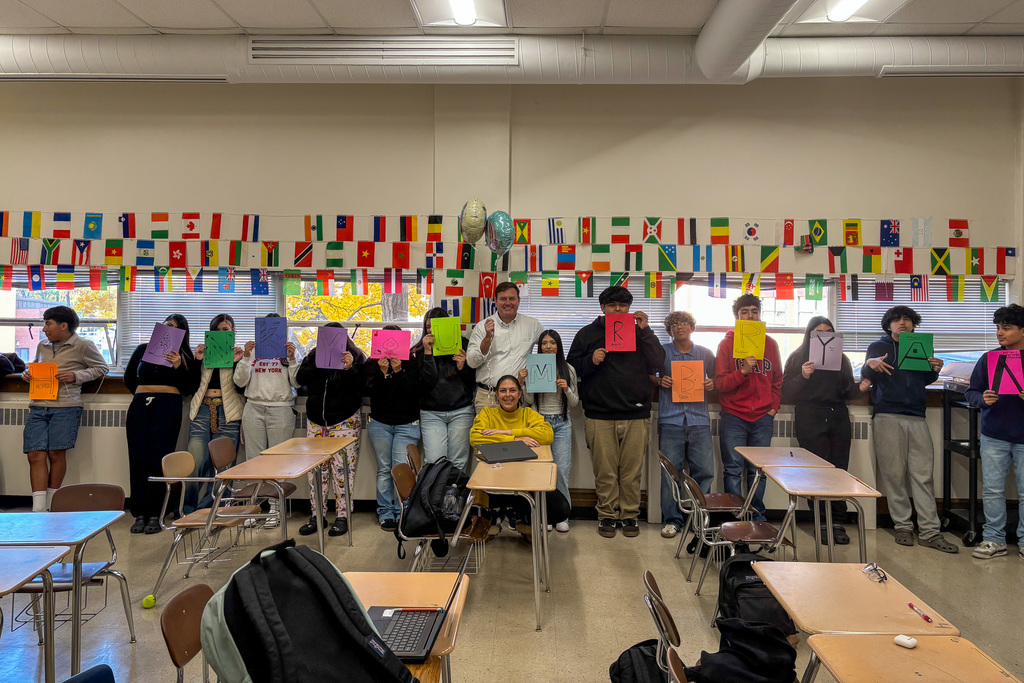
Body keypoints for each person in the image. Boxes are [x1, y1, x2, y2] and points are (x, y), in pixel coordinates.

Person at [567, 285, 665, 538]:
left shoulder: (640, 332)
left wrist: (646, 331)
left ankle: (630, 515)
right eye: (612, 305)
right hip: (599, 414)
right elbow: (570, 368)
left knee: (632, 471)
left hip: (636, 413)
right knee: (605, 471)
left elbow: (658, 362)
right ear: (603, 308)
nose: (618, 309)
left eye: (623, 305)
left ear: (629, 309)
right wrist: (591, 359)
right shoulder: (587, 333)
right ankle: (607, 515)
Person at [861, 305, 958, 553]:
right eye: (896, 319)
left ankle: (929, 531)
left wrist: (935, 370)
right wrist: (870, 364)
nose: (902, 323)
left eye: (907, 319)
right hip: (887, 415)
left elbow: (923, 379)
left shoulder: (921, 345)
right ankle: (902, 526)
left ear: (913, 324)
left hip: (917, 415)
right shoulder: (878, 347)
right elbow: (867, 374)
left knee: (923, 474)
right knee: (893, 474)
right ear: (888, 325)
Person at [781, 316, 870, 545]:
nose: (824, 336)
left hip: (838, 414)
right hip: (810, 414)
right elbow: (786, 391)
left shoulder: (842, 359)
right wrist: (803, 375)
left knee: (839, 469)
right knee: (816, 472)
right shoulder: (798, 357)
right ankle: (821, 522)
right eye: (819, 333)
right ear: (811, 335)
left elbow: (847, 391)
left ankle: (838, 521)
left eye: (829, 332)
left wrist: (861, 387)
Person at [21, 306, 109, 512]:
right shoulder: (42, 345)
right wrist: (28, 374)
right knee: (34, 454)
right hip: (38, 404)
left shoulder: (84, 345)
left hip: (66, 406)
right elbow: (35, 365)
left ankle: (51, 506)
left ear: (63, 326)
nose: (44, 329)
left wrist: (76, 376)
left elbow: (102, 368)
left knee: (56, 454)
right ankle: (38, 508)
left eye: (48, 324)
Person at [124, 314, 196, 534]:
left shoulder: (184, 356)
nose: (167, 328)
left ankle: (157, 512)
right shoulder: (142, 349)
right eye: (165, 324)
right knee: (138, 458)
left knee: (160, 458)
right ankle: (140, 513)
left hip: (167, 407)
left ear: (181, 333)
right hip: (140, 406)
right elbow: (129, 378)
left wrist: (178, 367)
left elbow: (188, 388)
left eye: (173, 327)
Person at [714, 294, 782, 522]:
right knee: (732, 469)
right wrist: (742, 371)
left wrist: (773, 408)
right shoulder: (726, 344)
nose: (750, 315)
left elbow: (777, 380)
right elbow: (721, 384)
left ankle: (755, 515)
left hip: (763, 417)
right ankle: (734, 516)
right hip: (734, 416)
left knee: (758, 472)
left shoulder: (770, 344)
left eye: (754, 310)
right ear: (737, 316)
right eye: (744, 312)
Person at [964, 304, 1024, 560]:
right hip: (994, 434)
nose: (1000, 333)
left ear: (1022, 330)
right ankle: (994, 539)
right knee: (992, 490)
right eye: (998, 328)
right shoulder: (989, 358)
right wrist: (982, 399)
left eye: (1007, 328)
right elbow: (971, 391)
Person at [470, 375, 564, 536]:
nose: (508, 395)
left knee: (561, 508)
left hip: (525, 481)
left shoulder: (528, 414)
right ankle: (497, 517)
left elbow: (547, 435)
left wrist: (508, 431)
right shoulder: (487, 413)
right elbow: (475, 438)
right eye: (503, 391)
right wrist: (515, 439)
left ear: (520, 394)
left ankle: (522, 518)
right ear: (497, 395)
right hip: (494, 481)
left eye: (513, 390)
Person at [296, 323, 366, 538]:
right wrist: (319, 361)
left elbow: (363, 385)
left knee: (343, 472)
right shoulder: (313, 355)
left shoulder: (356, 356)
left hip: (344, 421)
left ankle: (343, 516)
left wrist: (349, 368)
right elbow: (300, 379)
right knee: (316, 471)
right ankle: (317, 516)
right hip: (317, 422)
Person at [652, 311, 716, 539]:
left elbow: (716, 380)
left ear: (692, 327)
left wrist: (711, 384)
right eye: (674, 325)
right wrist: (660, 380)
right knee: (671, 473)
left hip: (699, 420)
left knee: (705, 471)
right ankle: (672, 520)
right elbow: (648, 374)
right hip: (671, 420)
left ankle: (700, 518)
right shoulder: (661, 352)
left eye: (684, 323)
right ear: (669, 331)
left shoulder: (706, 353)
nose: (680, 327)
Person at [234, 313, 300, 529]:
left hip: (280, 409)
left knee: (277, 461)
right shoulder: (252, 351)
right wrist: (245, 356)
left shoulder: (288, 350)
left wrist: (291, 359)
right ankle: (254, 508)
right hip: (254, 407)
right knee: (254, 461)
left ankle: (275, 508)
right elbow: (240, 381)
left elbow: (297, 383)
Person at [521, 329, 578, 533]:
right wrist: (523, 383)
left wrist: (566, 389)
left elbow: (575, 402)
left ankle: (562, 515)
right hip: (539, 423)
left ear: (558, 346)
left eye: (552, 343)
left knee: (561, 470)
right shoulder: (532, 367)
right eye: (544, 343)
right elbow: (527, 401)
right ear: (539, 346)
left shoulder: (568, 369)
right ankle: (544, 514)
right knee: (540, 470)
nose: (548, 346)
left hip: (562, 423)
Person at [186, 313, 244, 512]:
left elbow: (243, 387)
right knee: (195, 460)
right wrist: (197, 360)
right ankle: (187, 507)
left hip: (229, 412)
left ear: (233, 332)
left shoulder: (240, 355)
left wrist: (239, 362)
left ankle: (212, 508)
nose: (221, 333)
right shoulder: (203, 354)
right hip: (202, 408)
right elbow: (190, 386)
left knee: (224, 464)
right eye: (217, 330)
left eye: (225, 330)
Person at [364, 324, 419, 532]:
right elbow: (372, 393)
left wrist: (398, 371)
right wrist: (384, 373)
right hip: (380, 423)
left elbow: (413, 391)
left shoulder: (412, 362)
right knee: (384, 469)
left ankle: (403, 511)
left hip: (407, 423)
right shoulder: (372, 364)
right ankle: (386, 512)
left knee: (402, 469)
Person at [413, 308, 476, 471]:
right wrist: (428, 353)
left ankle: (454, 496)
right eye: (428, 327)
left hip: (461, 409)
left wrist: (463, 367)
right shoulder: (418, 351)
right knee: (434, 461)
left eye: (435, 326)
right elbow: (425, 384)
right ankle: (436, 497)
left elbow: (472, 382)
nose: (431, 330)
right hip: (431, 412)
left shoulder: (462, 344)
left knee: (458, 462)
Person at [467, 282, 545, 411]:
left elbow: (550, 345)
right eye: (503, 299)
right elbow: (472, 363)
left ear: (518, 301)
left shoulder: (532, 325)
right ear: (496, 301)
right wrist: (487, 339)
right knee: (487, 432)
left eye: (512, 298)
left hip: (519, 397)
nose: (508, 303)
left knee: (518, 432)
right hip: (489, 397)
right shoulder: (482, 327)